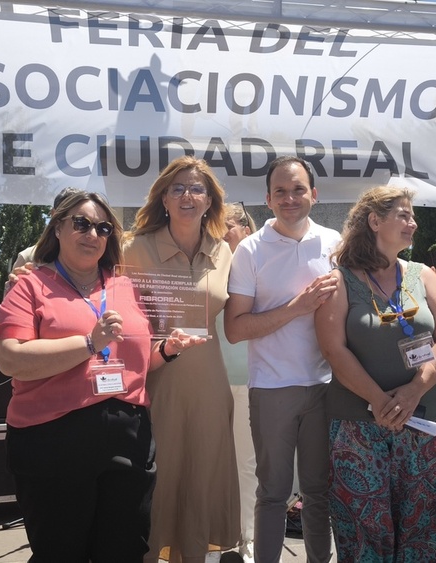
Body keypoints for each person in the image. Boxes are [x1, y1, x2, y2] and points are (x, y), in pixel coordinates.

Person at [0, 190, 205, 562]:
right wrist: (89, 343)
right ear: (57, 227)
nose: (93, 234)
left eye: (103, 228)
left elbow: (130, 362)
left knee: (125, 550)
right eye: (82, 224)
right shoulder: (30, 285)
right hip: (52, 440)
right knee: (60, 551)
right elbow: (11, 359)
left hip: (128, 437)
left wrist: (167, 350)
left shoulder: (125, 286)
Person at [313, 186, 436, 561]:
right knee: (366, 532)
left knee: (425, 530)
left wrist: (415, 391)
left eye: (412, 216)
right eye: (404, 215)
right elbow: (334, 350)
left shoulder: (423, 275)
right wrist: (380, 401)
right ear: (374, 221)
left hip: (422, 421)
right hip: (357, 426)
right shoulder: (340, 280)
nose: (413, 223)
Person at [121, 156, 240, 563]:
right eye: (178, 188)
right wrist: (30, 268)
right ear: (164, 198)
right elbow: (82, 273)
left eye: (197, 189)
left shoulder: (225, 251)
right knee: (158, 484)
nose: (188, 196)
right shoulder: (133, 248)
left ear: (210, 201)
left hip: (209, 386)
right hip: (155, 382)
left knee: (200, 483)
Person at [225, 156, 338, 563]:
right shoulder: (250, 250)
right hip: (272, 388)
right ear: (268, 199)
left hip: (325, 387)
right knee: (272, 494)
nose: (290, 198)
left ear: (314, 194)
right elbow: (235, 329)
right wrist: (297, 306)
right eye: (281, 192)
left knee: (318, 493)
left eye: (298, 189)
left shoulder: (334, 243)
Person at [219, 202, 259, 562]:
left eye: (224, 226)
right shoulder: (205, 266)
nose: (217, 233)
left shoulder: (260, 266)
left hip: (250, 380)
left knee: (247, 467)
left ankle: (248, 546)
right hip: (209, 381)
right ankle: (211, 543)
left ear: (245, 229)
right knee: (210, 464)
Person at [5, 187, 82, 294]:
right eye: (71, 216)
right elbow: (10, 304)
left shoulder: (98, 254)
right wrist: (11, 288)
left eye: (82, 220)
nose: (77, 225)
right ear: (53, 214)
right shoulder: (29, 257)